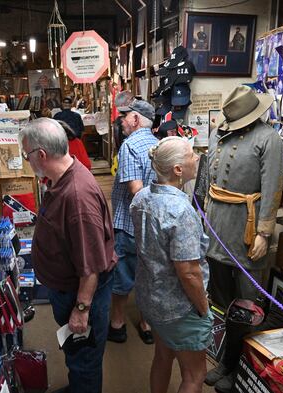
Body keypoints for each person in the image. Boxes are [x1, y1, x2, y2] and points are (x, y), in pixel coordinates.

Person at [19, 118, 116, 393]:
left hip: (81, 295)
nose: (27, 161)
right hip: (67, 290)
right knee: (77, 355)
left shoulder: (77, 198)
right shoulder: (64, 176)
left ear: (41, 155)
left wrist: (81, 310)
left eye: (27, 155)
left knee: (85, 360)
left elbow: (90, 269)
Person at [204, 86, 283, 392]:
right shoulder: (217, 134)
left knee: (247, 304)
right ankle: (226, 360)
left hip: (247, 230)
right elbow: (208, 182)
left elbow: (273, 185)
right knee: (223, 302)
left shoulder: (269, 138)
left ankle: (240, 367)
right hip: (216, 228)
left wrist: (265, 232)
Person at [130, 137, 212, 393]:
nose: (196, 158)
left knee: (163, 356)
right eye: (191, 155)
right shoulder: (181, 211)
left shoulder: (142, 197)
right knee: (195, 374)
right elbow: (188, 272)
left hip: (151, 297)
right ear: (178, 169)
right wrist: (203, 308)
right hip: (179, 306)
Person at [109, 99, 158, 345]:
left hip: (130, 223)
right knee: (148, 274)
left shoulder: (130, 145)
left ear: (136, 119)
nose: (122, 120)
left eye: (126, 116)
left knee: (123, 273)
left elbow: (136, 190)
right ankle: (147, 324)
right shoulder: (160, 145)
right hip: (155, 226)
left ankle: (117, 324)